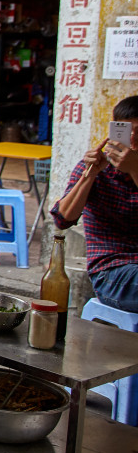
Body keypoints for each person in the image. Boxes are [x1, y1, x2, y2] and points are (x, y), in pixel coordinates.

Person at [51, 95, 138, 312]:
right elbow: (63, 219)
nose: (134, 139)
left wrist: (135, 169)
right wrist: (90, 175)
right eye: (129, 131)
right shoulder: (95, 167)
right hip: (112, 272)